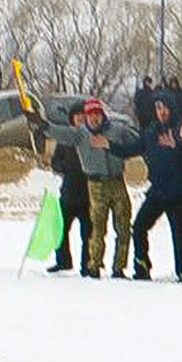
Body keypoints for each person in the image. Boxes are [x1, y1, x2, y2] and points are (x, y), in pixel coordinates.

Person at [122, 92, 182, 281]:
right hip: (158, 192)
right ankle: (142, 268)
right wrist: (108, 145)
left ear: (172, 108)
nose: (162, 112)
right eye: (158, 108)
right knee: (138, 228)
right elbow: (131, 150)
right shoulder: (151, 132)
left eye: (165, 107)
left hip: (178, 194)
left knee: (180, 238)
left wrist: (180, 145)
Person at [74, 100, 136, 278]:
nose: (94, 118)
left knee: (124, 226)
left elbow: (137, 142)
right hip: (95, 185)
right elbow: (58, 132)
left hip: (117, 182)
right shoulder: (80, 134)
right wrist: (41, 124)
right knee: (97, 228)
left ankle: (119, 266)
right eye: (91, 114)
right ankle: (94, 265)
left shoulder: (118, 130)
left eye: (97, 114)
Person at [41, 103, 91, 273]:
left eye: (83, 116)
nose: (81, 119)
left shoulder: (91, 138)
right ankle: (63, 261)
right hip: (69, 191)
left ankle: (88, 264)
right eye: (78, 116)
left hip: (88, 194)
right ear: (72, 119)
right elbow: (55, 163)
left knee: (89, 233)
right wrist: (66, 167)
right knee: (60, 228)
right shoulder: (65, 140)